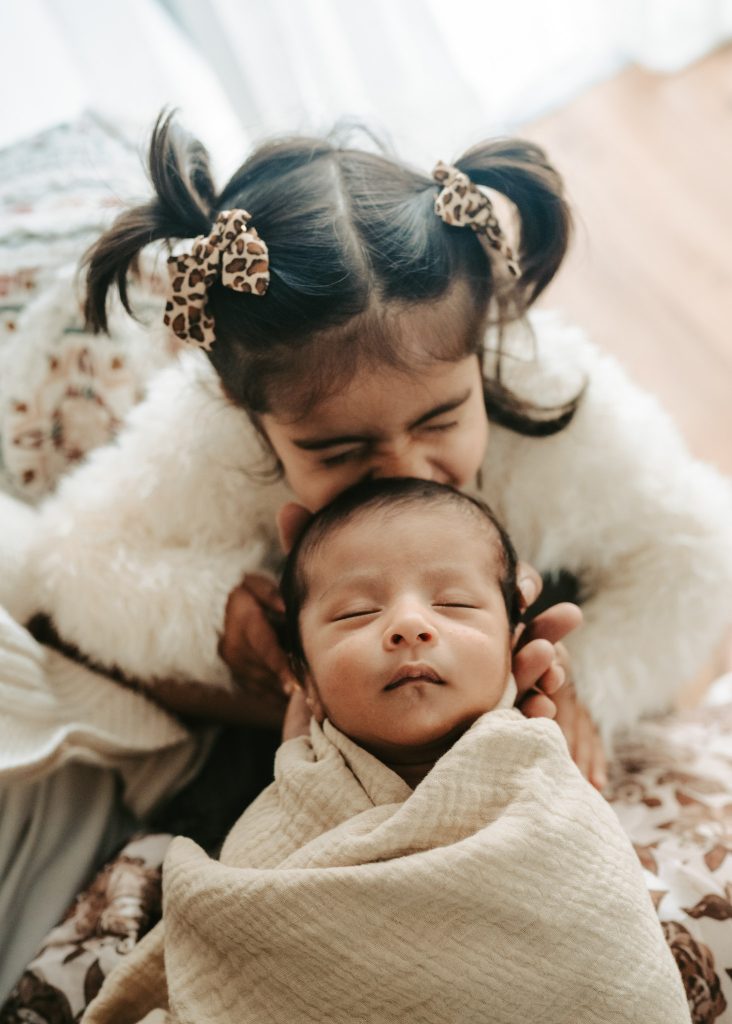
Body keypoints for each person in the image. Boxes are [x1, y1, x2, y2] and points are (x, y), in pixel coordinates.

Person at [16, 111, 732, 791]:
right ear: (247, 413)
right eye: (338, 450)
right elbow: (72, 564)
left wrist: (591, 690)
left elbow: (698, 553)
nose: (404, 474)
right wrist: (210, 613)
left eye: (441, 421)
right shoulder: (210, 433)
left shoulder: (553, 391)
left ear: (480, 351)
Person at [80, 477, 692, 1024]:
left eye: (454, 603)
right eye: (356, 612)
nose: (408, 625)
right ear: (304, 674)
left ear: (513, 642)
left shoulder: (541, 787)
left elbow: (608, 971)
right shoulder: (290, 811)